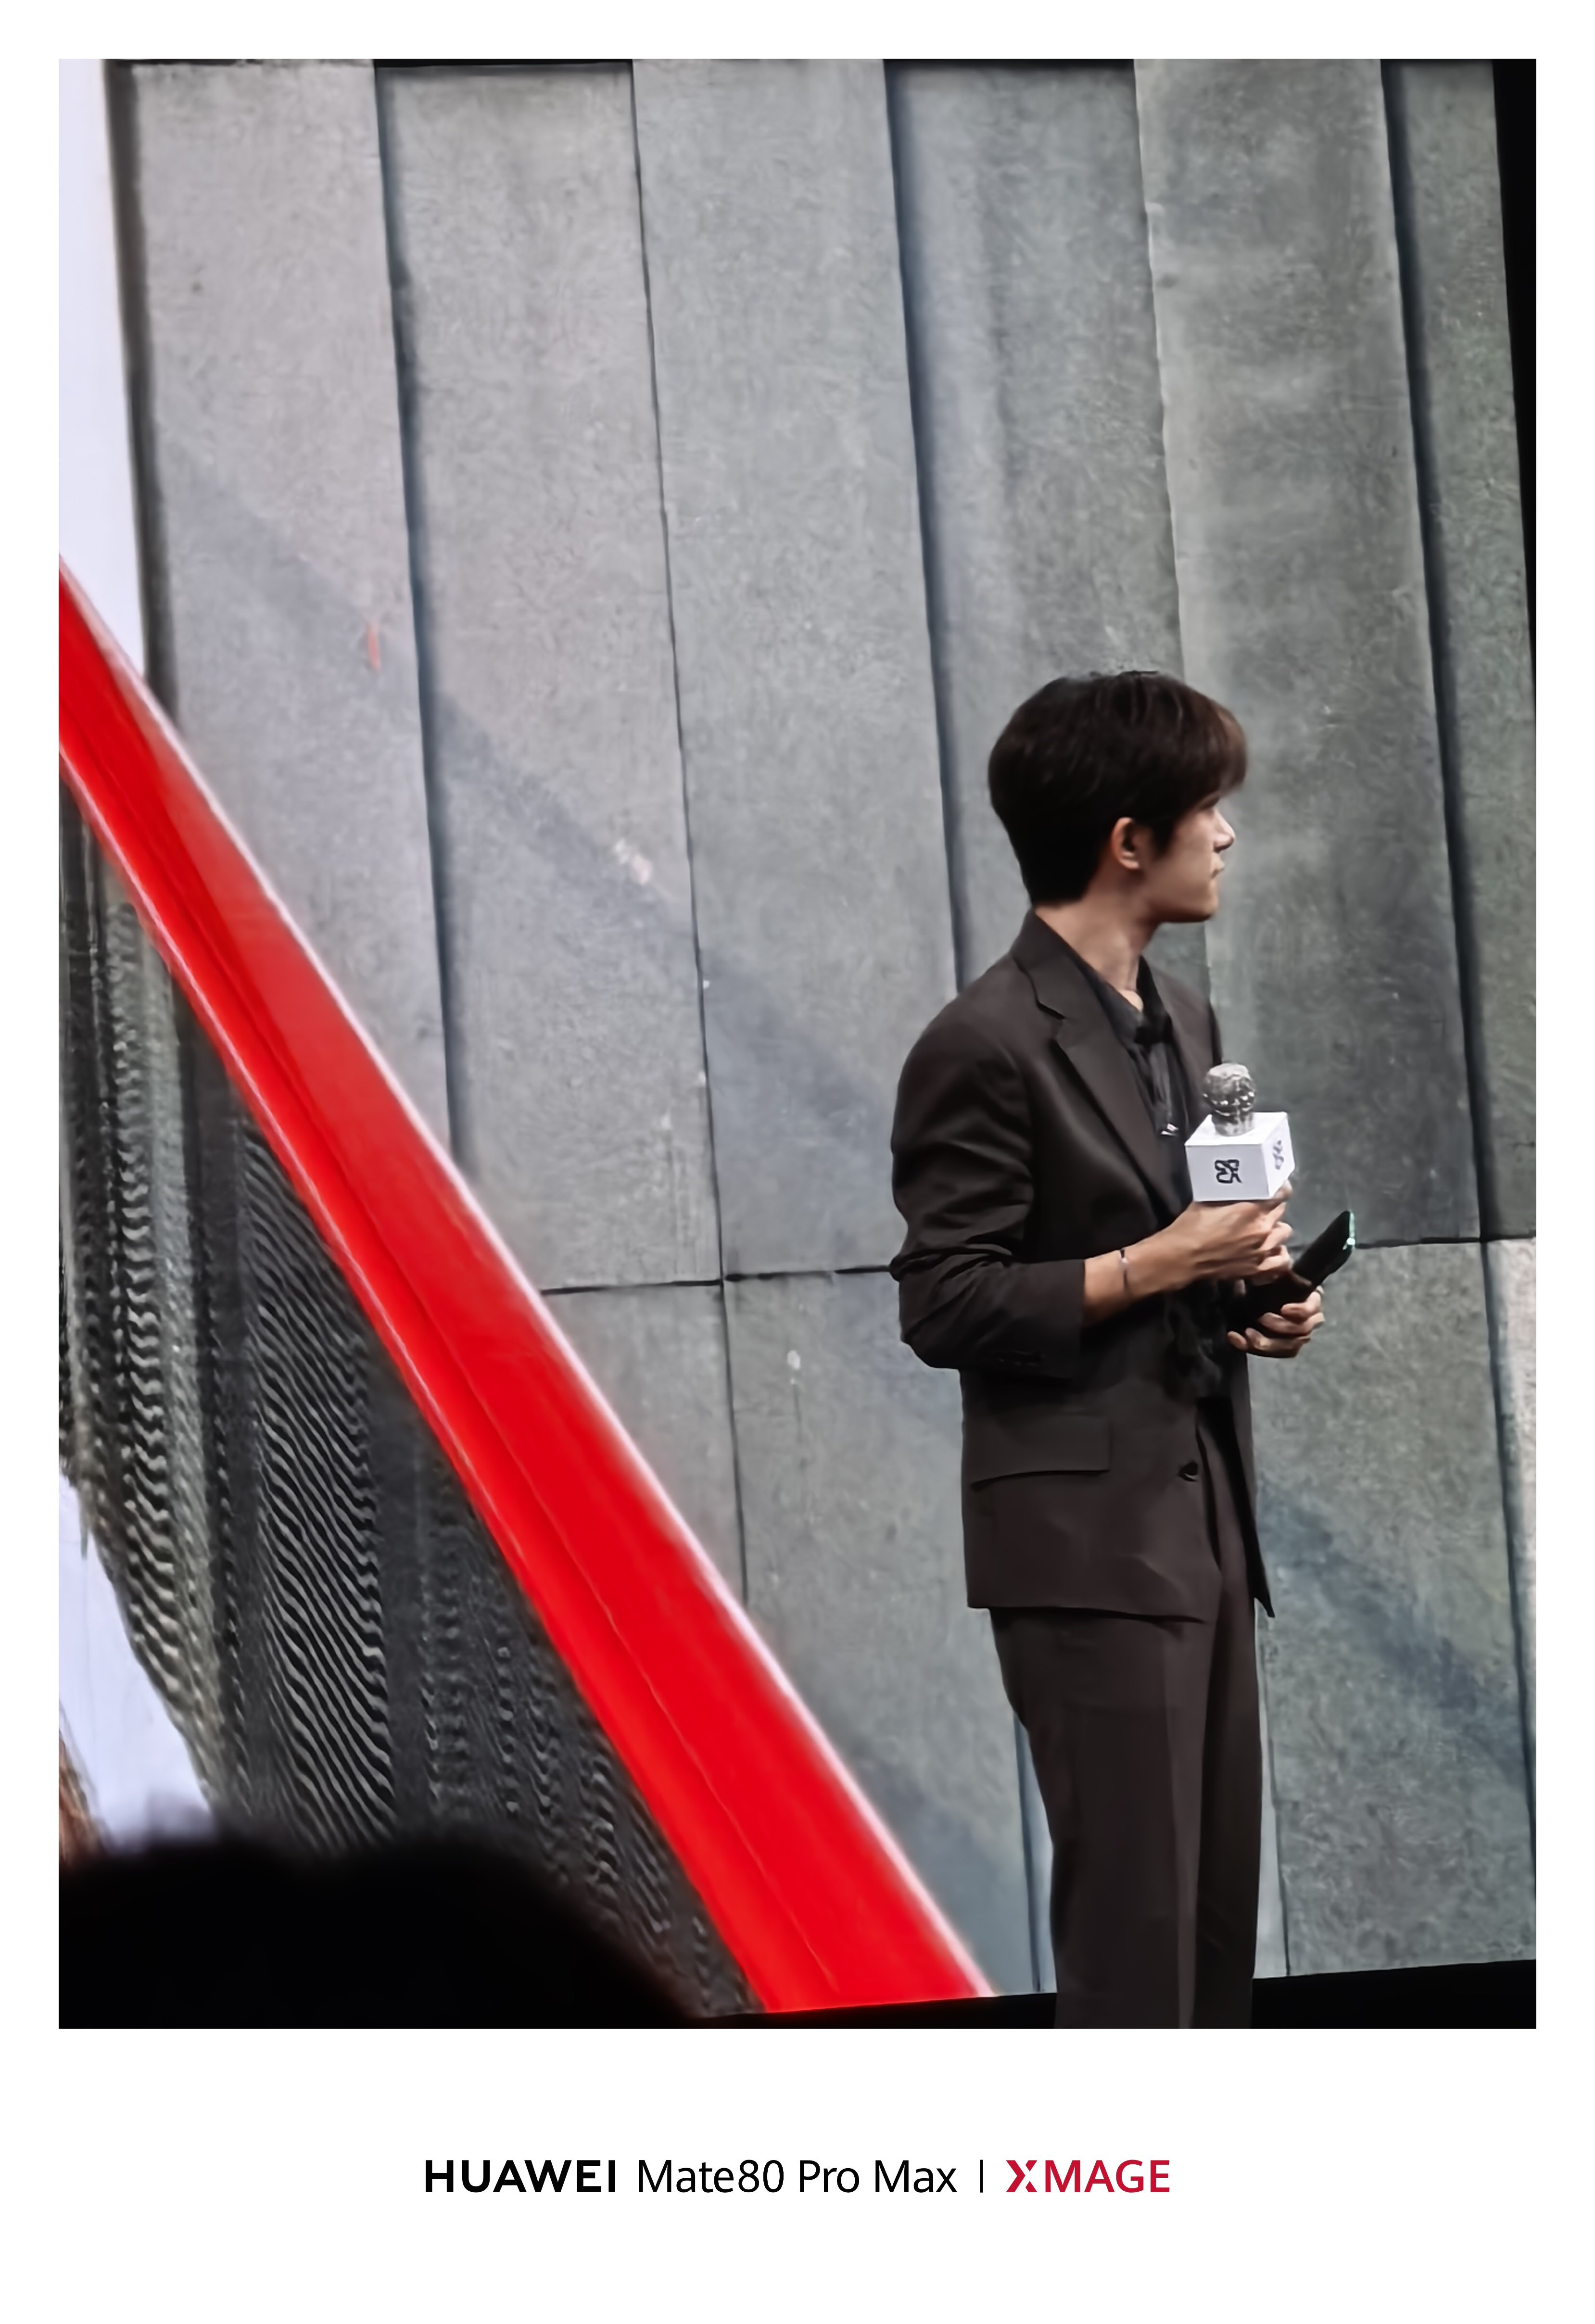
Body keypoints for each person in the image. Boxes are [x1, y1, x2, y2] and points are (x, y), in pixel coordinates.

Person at [889, 670, 1324, 2028]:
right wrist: (1161, 1263)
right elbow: (943, 1301)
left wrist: (1252, 1298)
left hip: (1204, 1522)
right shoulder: (981, 1043)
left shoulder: (1182, 1018)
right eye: (1206, 808)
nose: (1226, 834)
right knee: (1135, 1941)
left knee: (1211, 1928)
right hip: (1087, 1547)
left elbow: (1181, 1258)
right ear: (1129, 840)